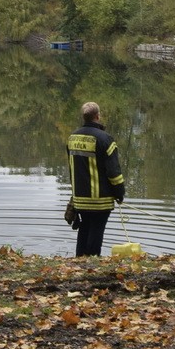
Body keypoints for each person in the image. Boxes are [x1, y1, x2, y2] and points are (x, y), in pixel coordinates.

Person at [67, 102, 125, 257]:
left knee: (84, 228)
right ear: (98, 116)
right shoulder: (105, 139)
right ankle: (93, 261)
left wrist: (74, 195)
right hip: (100, 199)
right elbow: (114, 173)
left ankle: (79, 260)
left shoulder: (72, 138)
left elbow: (72, 169)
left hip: (80, 198)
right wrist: (120, 193)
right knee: (96, 230)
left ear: (84, 117)